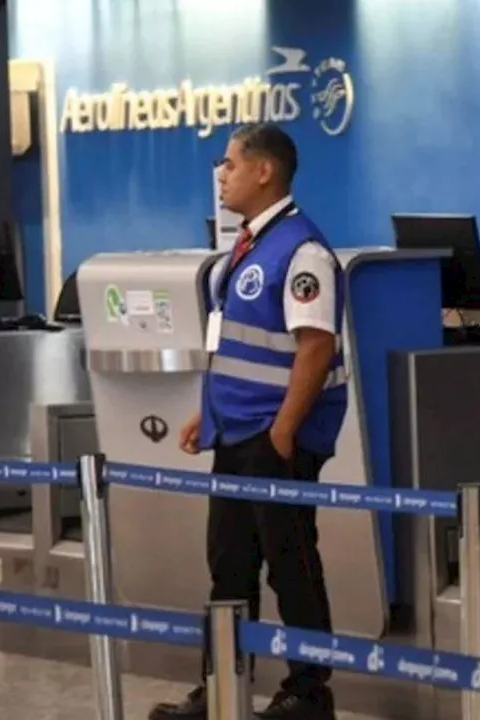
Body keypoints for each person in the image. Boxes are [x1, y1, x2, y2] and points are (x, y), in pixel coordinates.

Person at [149, 123, 347, 720]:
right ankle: (222, 687)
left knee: (291, 562)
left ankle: (308, 693)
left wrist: (284, 431)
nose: (221, 174)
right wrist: (205, 413)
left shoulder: (302, 250)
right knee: (229, 565)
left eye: (230, 163)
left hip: (274, 435)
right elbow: (235, 346)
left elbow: (315, 347)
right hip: (233, 431)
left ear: (265, 171)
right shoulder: (246, 248)